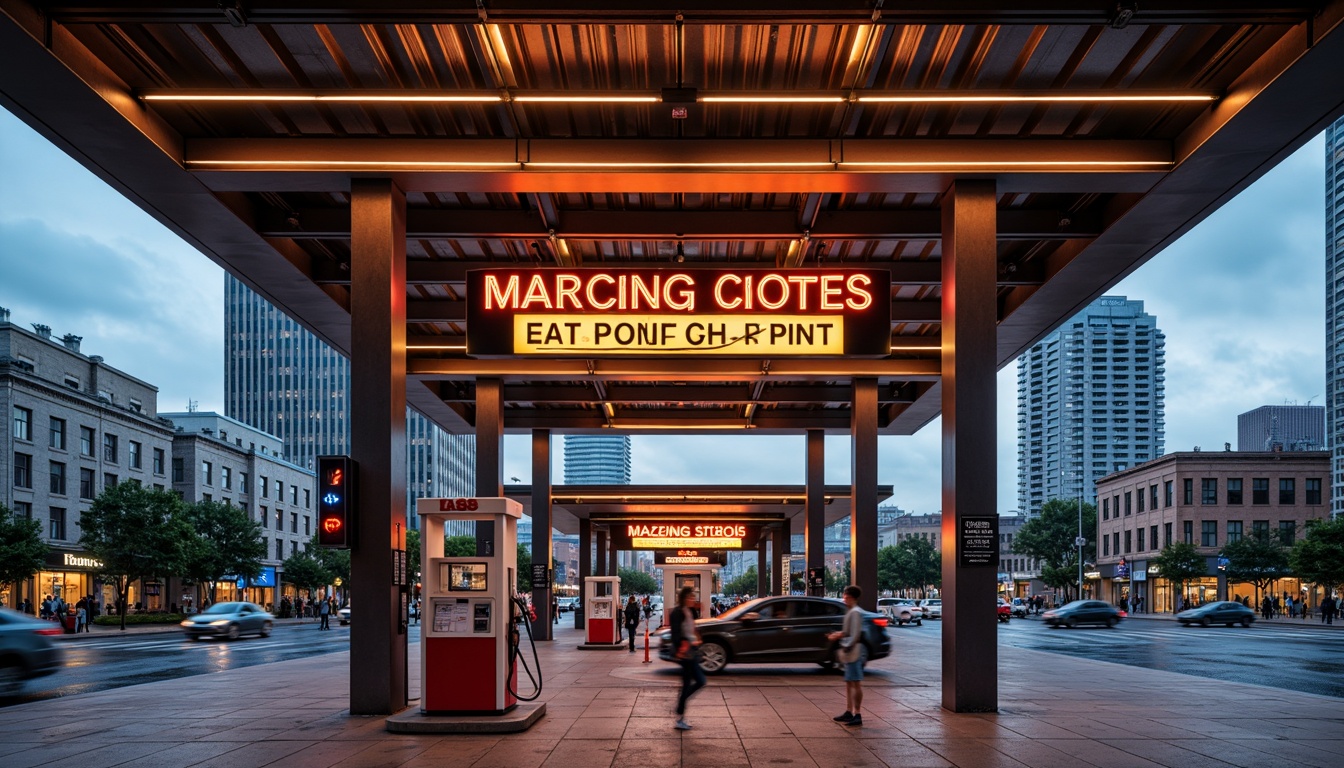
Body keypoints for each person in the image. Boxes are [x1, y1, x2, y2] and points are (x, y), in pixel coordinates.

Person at [828, 585, 866, 727]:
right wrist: (838, 635)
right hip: (850, 651)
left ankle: (857, 713)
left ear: (852, 598)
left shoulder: (855, 612)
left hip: (853, 652)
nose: (844, 599)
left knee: (855, 682)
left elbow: (855, 634)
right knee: (850, 682)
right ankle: (849, 711)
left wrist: (845, 645)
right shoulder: (851, 611)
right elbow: (849, 632)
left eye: (846, 597)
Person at [670, 586, 705, 731]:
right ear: (684, 598)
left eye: (693, 597)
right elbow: (676, 634)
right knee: (700, 681)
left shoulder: (691, 611)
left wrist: (697, 639)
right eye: (690, 597)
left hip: (692, 651)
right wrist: (683, 646)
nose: (693, 599)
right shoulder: (677, 613)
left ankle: (680, 712)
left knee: (689, 684)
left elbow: (693, 628)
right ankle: (679, 710)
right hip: (685, 653)